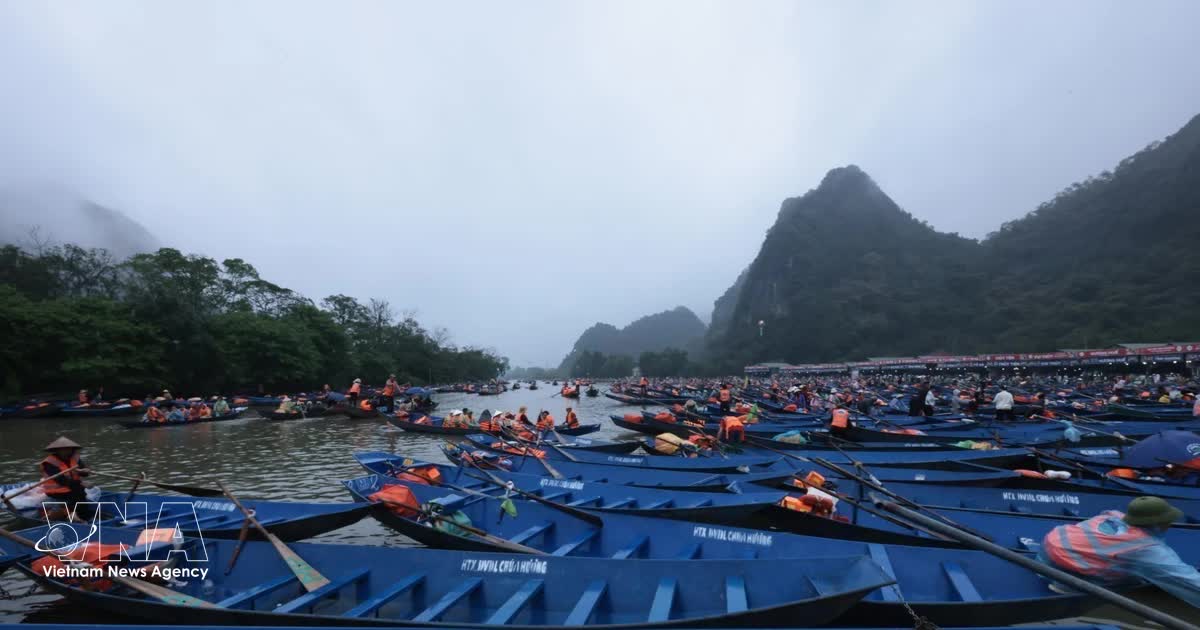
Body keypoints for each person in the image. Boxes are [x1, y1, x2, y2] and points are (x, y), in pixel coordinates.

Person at [1038, 496, 1200, 607]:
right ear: (1159, 522)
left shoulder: (1111, 517)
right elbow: (1187, 580)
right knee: (1137, 579)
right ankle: (1072, 587)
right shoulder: (1143, 548)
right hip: (1066, 572)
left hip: (1046, 550)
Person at [40, 437, 92, 514]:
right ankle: (76, 514)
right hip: (56, 491)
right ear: (57, 450)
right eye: (63, 449)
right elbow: (61, 480)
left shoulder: (75, 458)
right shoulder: (49, 462)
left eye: (69, 448)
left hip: (73, 487)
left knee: (80, 491)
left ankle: (80, 514)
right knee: (78, 492)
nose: (67, 451)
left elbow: (84, 473)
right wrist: (81, 483)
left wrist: (85, 471)